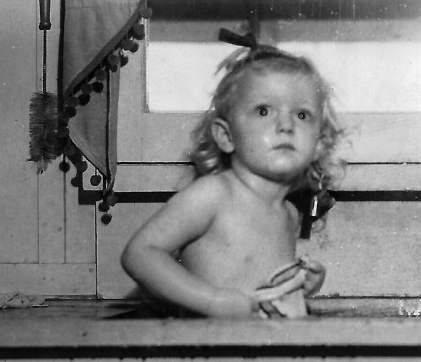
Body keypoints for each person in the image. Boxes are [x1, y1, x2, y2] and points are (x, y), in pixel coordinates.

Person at [121, 42, 345, 317]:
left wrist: (300, 285)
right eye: (264, 110)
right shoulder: (213, 195)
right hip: (207, 351)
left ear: (319, 144)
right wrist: (212, 301)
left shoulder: (288, 213)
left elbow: (261, 287)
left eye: (302, 114)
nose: (286, 125)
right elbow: (141, 253)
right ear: (226, 137)